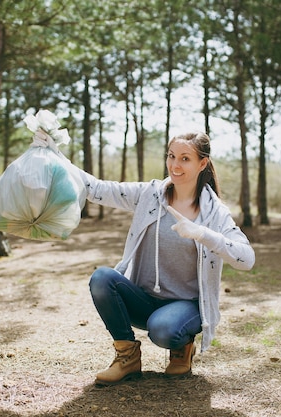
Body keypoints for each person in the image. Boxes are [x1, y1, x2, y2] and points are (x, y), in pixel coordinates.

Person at [74, 132, 255, 385]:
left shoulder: (215, 214)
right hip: (144, 299)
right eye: (171, 156)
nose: (175, 165)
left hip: (185, 307)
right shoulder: (149, 194)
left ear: (202, 164)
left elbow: (247, 259)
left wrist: (204, 234)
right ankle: (127, 357)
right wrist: (54, 155)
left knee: (162, 330)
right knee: (102, 278)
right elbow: (97, 188)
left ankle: (182, 346)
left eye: (185, 158)